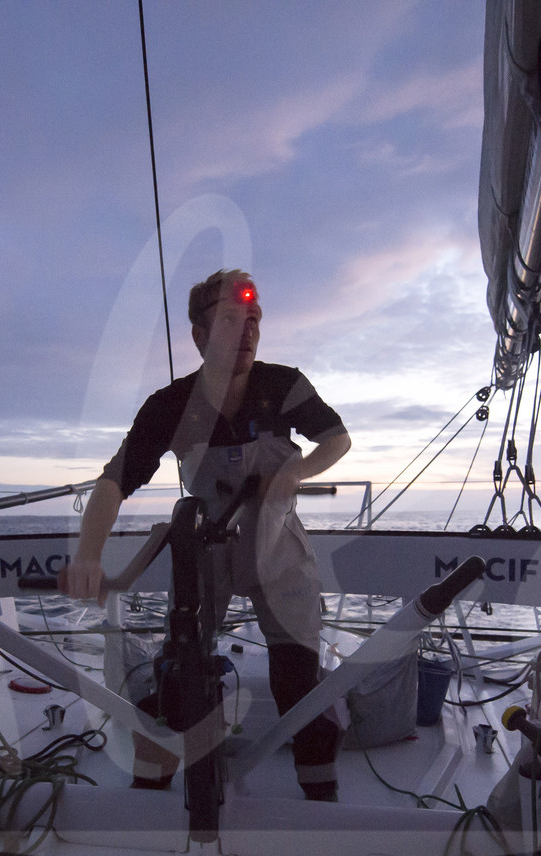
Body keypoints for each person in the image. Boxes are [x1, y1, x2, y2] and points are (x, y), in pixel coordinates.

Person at [61, 269, 351, 800]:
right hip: (204, 551)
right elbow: (113, 482)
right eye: (230, 319)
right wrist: (87, 554)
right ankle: (151, 795)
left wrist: (295, 472)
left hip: (279, 550)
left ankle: (321, 802)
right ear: (198, 335)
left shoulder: (283, 386)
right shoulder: (170, 407)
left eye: (253, 320)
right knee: (180, 674)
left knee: (299, 684)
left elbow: (337, 439)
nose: (247, 331)